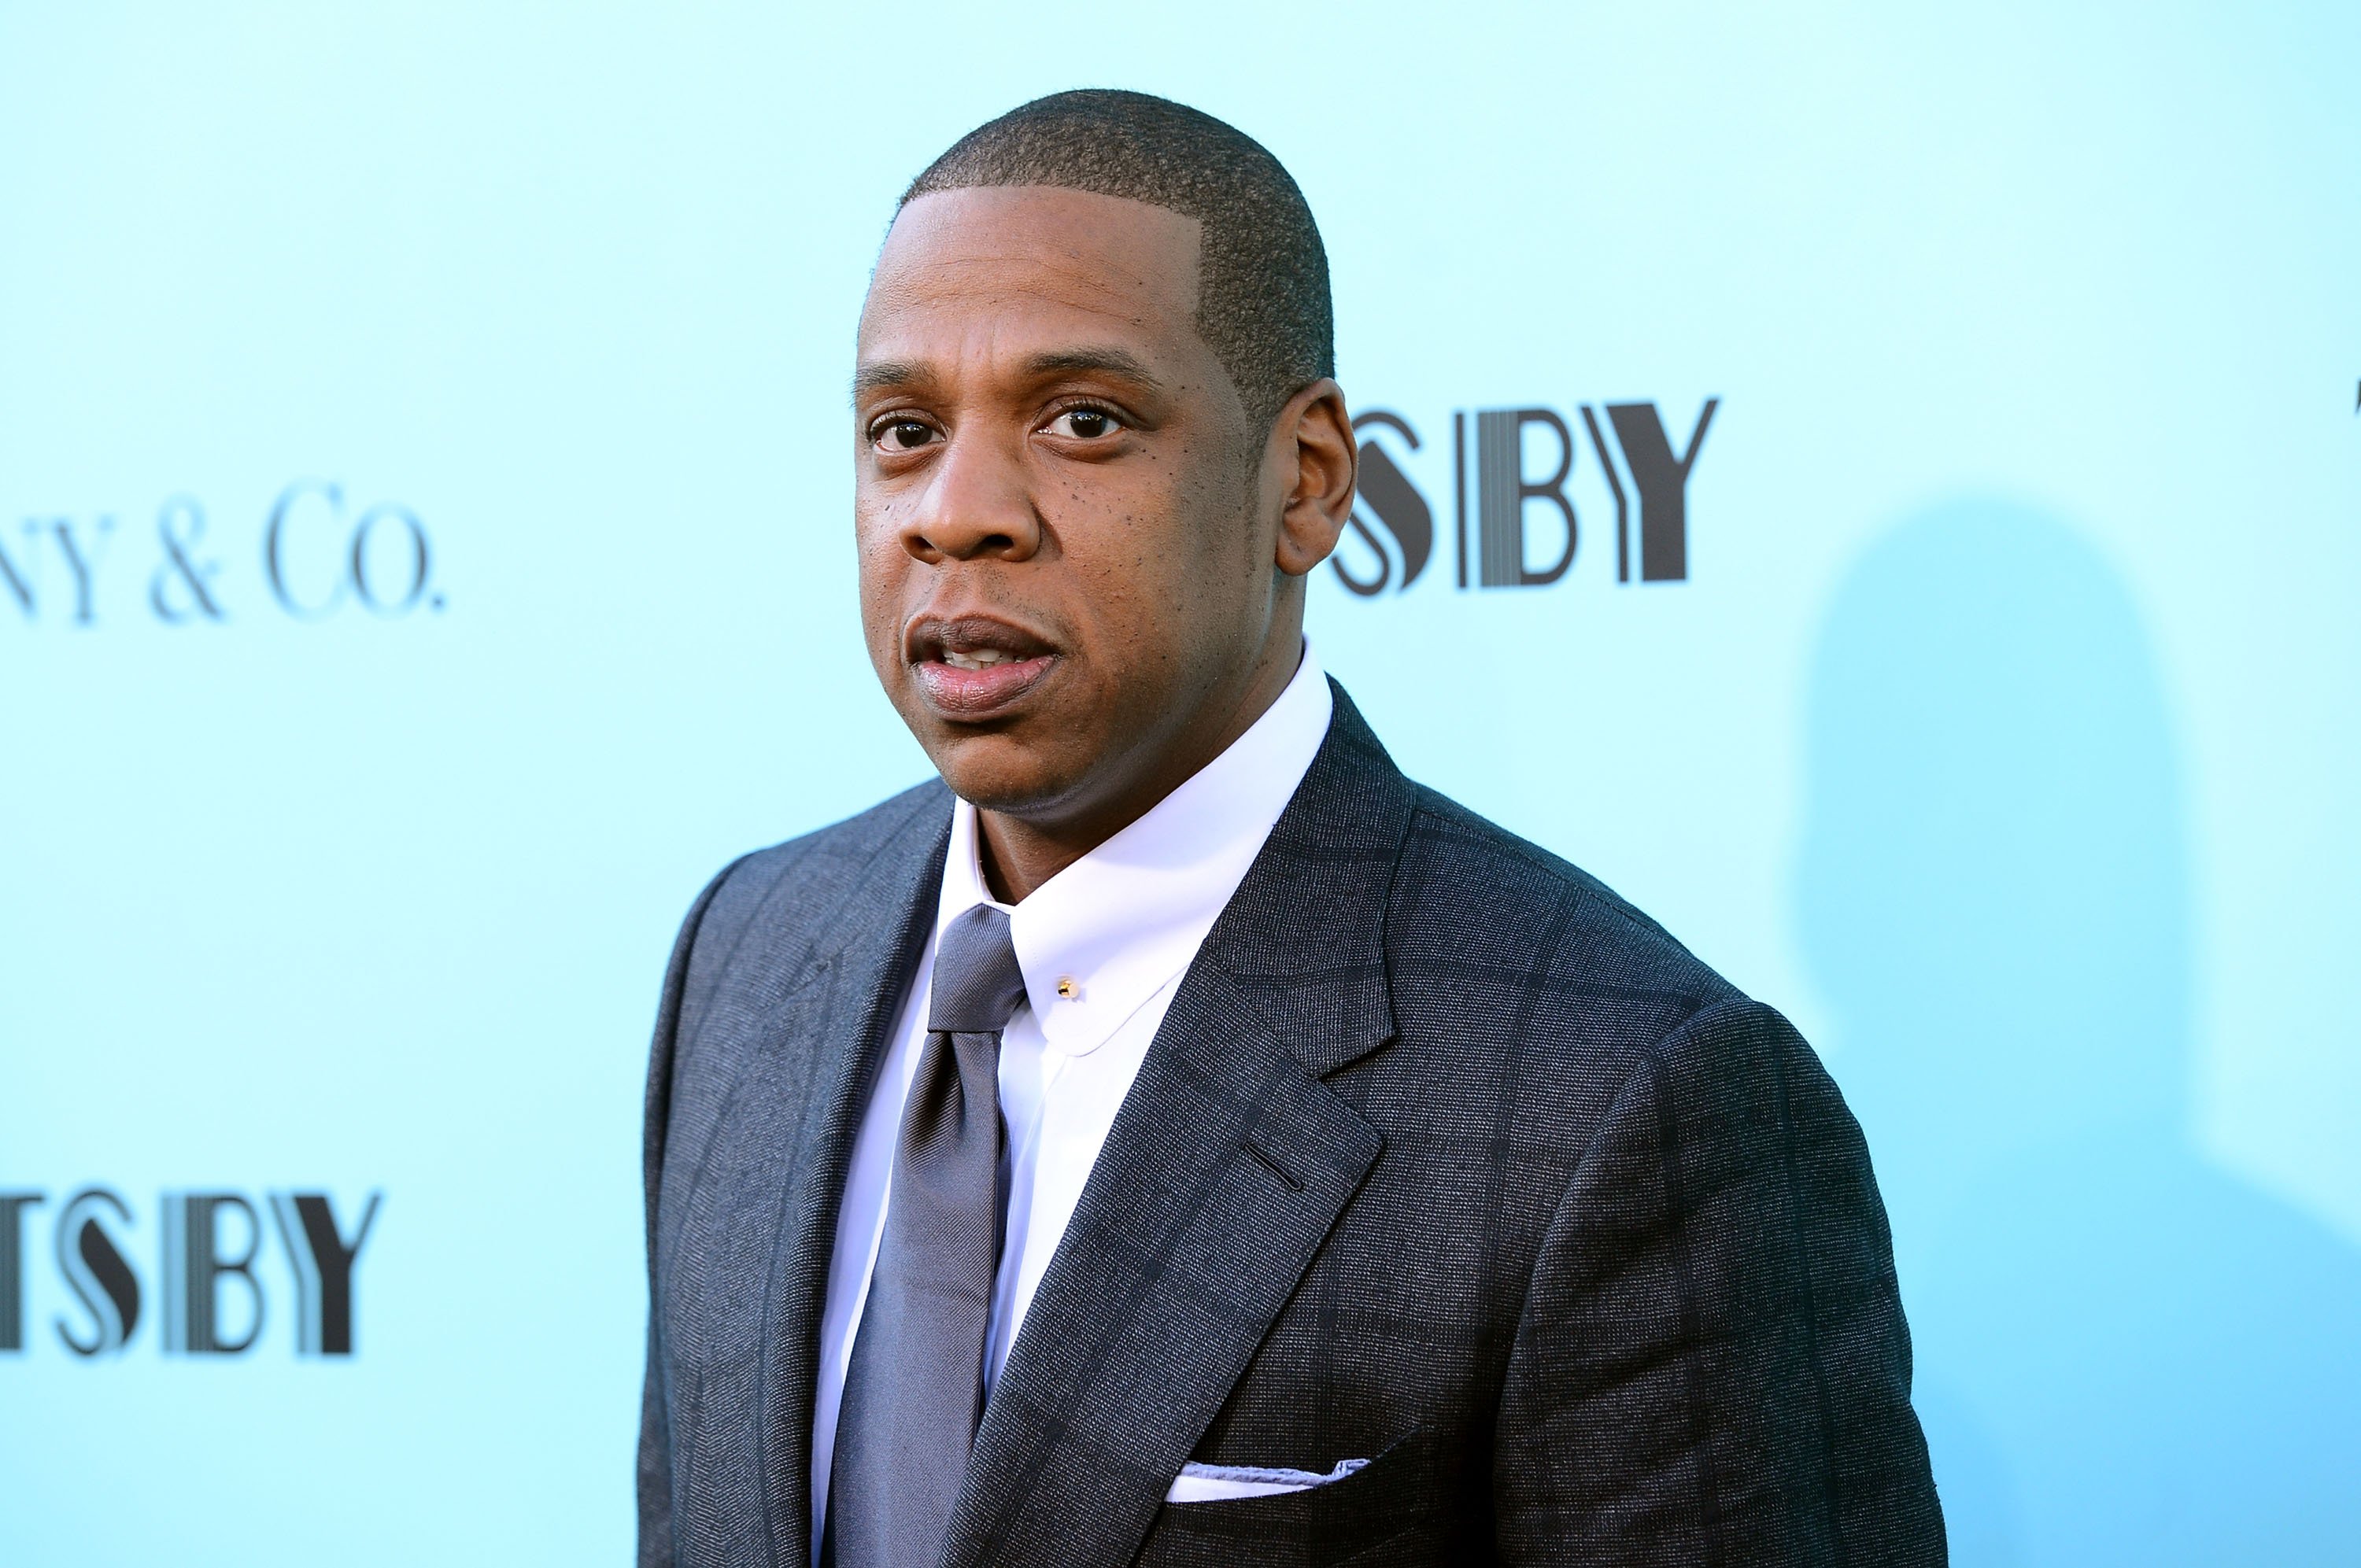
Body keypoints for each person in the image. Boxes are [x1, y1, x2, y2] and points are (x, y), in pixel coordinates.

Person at [637, 89, 1943, 1568]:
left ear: (1308, 481)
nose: (960, 510)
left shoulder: (1627, 1105)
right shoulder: (746, 958)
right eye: (903, 430)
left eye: (1083, 419)